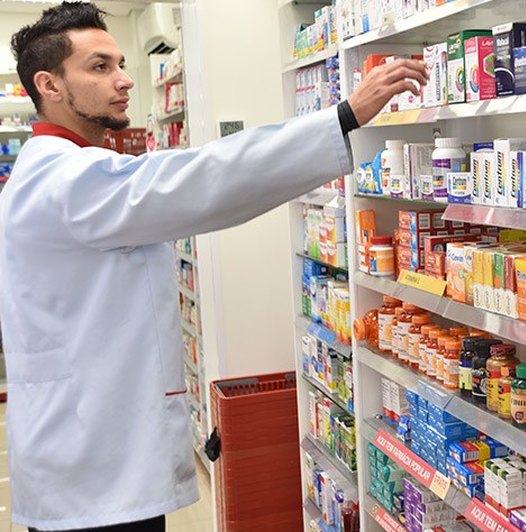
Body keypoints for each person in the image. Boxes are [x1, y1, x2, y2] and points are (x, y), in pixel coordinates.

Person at [0, 3, 427, 531]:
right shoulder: (66, 179)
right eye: (100, 67)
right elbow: (200, 178)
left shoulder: (66, 170)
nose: (124, 79)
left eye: (121, 64)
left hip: (89, 451)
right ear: (49, 85)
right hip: (90, 468)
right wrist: (343, 116)